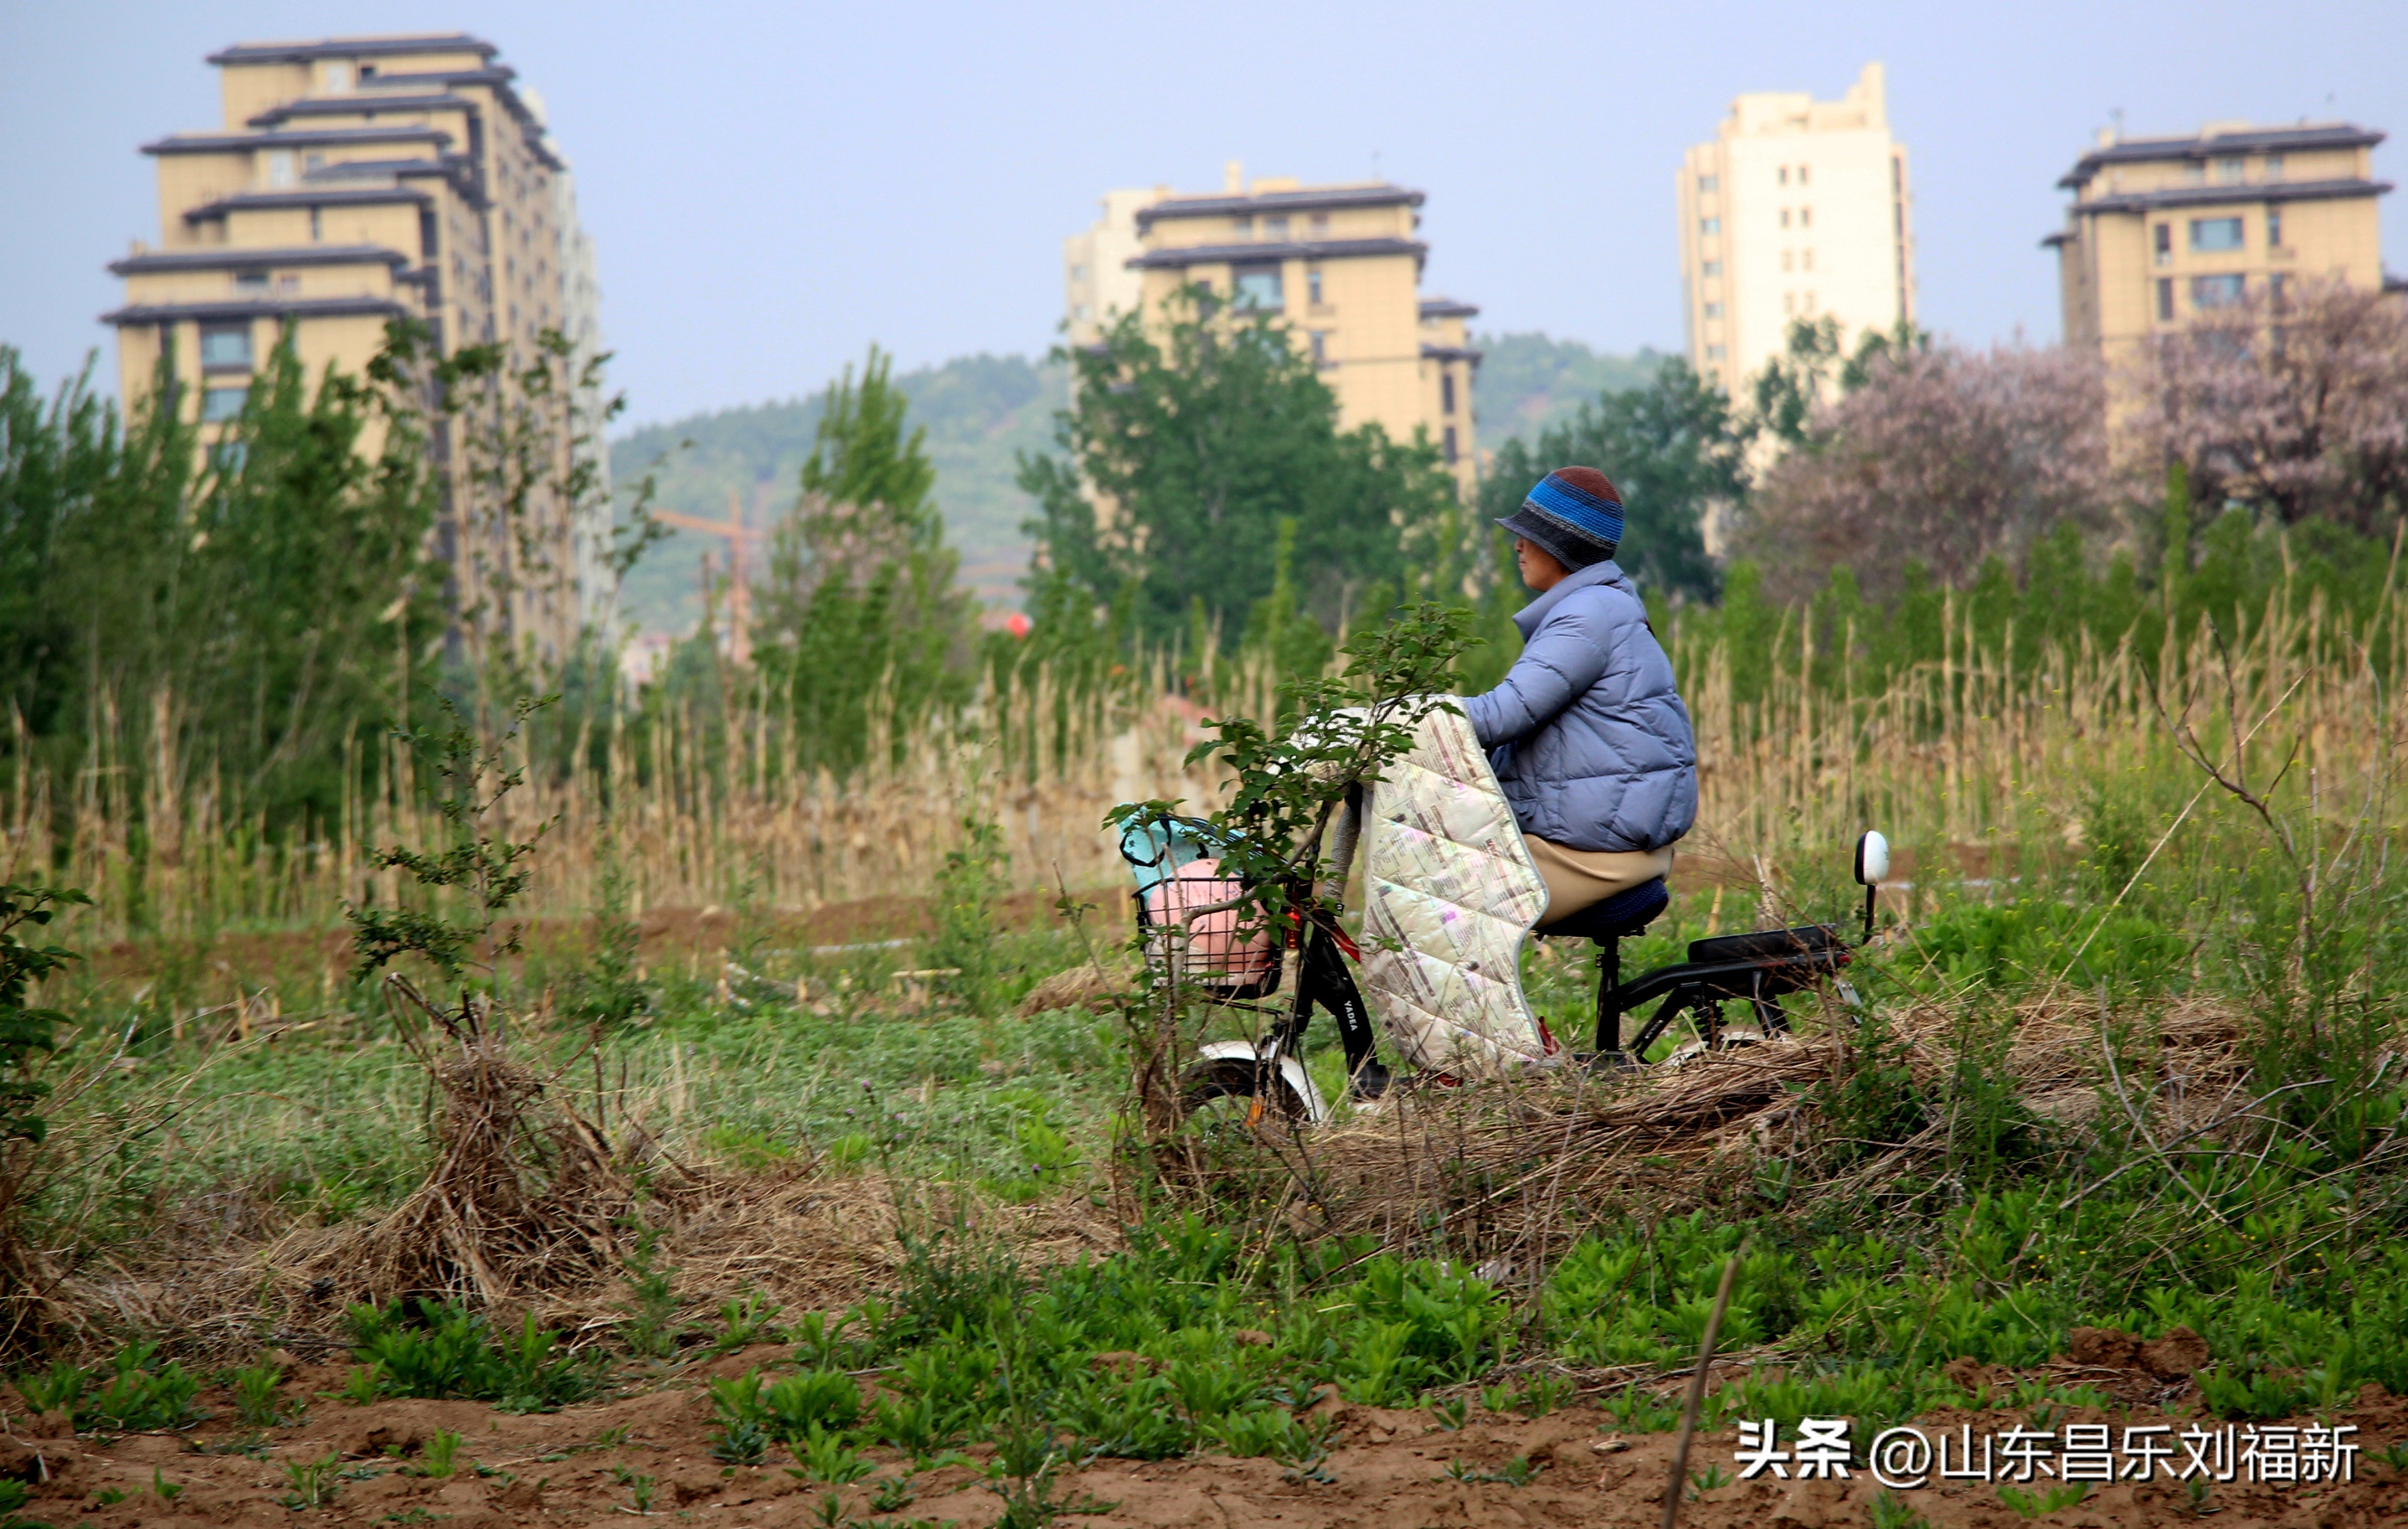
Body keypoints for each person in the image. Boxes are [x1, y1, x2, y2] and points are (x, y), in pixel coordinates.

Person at [1461, 467, 1697, 923]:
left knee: (1432, 896)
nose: (1518, 546)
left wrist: (1398, 721)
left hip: (1596, 860)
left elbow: (1502, 715)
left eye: (1529, 536)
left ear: (1560, 547)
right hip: (1611, 846)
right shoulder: (1605, 606)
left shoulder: (1586, 615)